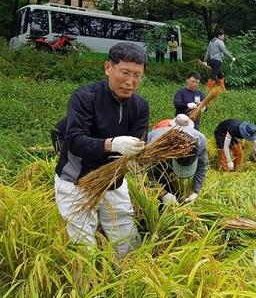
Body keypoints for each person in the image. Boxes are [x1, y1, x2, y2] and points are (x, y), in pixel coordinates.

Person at [54, 42, 149, 259]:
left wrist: (137, 156)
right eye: (124, 72)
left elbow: (138, 142)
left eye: (137, 75)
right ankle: (87, 287)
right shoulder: (85, 97)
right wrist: (112, 144)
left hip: (113, 181)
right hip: (76, 182)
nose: (130, 82)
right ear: (108, 67)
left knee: (126, 241)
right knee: (83, 247)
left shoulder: (140, 106)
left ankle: (128, 282)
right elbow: (75, 141)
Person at [148, 114, 208, 204]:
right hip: (159, 154)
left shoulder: (200, 140)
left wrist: (196, 191)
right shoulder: (157, 142)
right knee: (160, 174)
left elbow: (202, 166)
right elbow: (146, 171)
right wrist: (162, 193)